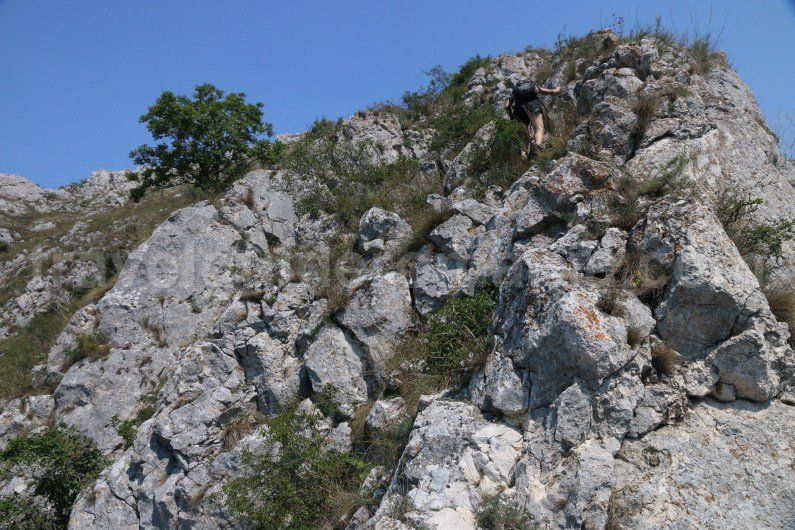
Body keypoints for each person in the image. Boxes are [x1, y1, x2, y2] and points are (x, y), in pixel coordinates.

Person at [504, 79, 562, 154]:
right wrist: (558, 89)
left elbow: (506, 106)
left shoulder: (514, 92)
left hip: (519, 112)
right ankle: (536, 147)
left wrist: (510, 115)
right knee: (539, 128)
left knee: (523, 135)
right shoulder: (533, 86)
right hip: (533, 107)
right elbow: (551, 92)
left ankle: (523, 154)